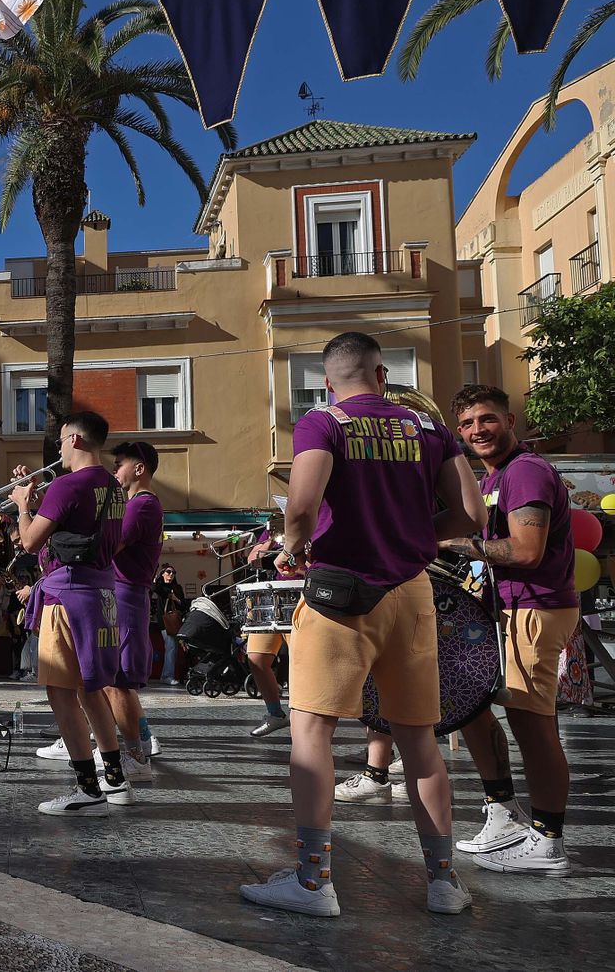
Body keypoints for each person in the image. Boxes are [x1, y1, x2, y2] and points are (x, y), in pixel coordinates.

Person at [239, 332, 486, 918]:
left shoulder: (323, 423)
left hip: (341, 594)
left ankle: (312, 881)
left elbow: (300, 506)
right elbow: (473, 515)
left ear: (328, 382)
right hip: (412, 592)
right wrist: (420, 534)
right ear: (382, 376)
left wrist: (292, 547)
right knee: (418, 739)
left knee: (311, 732)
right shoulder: (429, 430)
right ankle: (444, 883)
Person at [437, 385, 578, 874]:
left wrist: (460, 544)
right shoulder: (495, 477)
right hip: (510, 611)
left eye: (488, 419)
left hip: (535, 611)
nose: (479, 430)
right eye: (469, 423)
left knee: (533, 728)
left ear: (510, 419)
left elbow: (525, 551)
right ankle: (503, 814)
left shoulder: (526, 473)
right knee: (471, 706)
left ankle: (547, 840)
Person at [11, 410, 129, 816]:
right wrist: (44, 495)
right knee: (89, 688)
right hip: (101, 593)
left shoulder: (67, 485)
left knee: (60, 693)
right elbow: (83, 526)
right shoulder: (115, 488)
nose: (58, 448)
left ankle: (87, 789)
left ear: (76, 441)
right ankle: (115, 777)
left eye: (61, 440)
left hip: (66, 596)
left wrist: (23, 504)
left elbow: (28, 542)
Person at [107, 440, 165, 776]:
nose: (115, 470)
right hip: (123, 593)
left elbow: (111, 545)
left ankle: (135, 757)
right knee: (113, 680)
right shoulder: (135, 503)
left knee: (119, 681)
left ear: (138, 468)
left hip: (126, 595)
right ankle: (139, 745)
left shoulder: (141, 505)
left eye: (119, 464)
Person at [244, 524, 292, 736]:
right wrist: (270, 538)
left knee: (300, 661)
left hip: (301, 593)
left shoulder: (314, 521)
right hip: (272, 597)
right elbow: (251, 560)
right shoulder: (273, 528)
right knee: (256, 658)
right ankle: (275, 713)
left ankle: (304, 719)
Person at [149, 564, 186, 688]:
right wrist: (156, 579)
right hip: (164, 621)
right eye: (168, 572)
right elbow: (155, 588)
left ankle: (169, 675)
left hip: (174, 621)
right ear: (163, 573)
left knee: (173, 648)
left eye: (173, 572)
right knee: (171, 647)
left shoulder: (177, 588)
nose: (171, 575)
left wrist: (175, 598)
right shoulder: (160, 586)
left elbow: (183, 604)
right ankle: (166, 676)